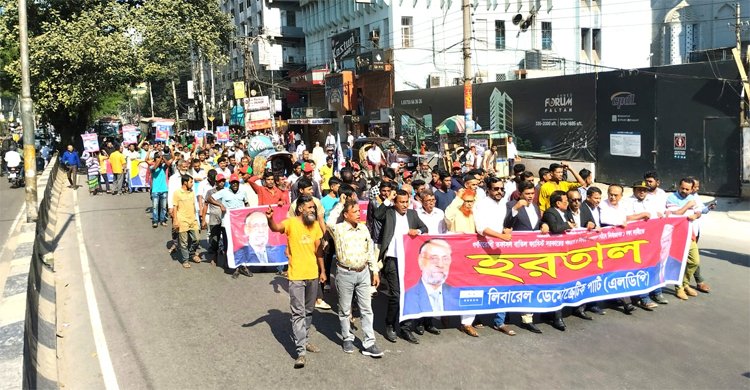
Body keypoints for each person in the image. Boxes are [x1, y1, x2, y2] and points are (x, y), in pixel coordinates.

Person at [266, 195, 325, 369]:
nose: (312, 210)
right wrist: (270, 219)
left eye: (313, 208)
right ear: (300, 209)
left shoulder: (315, 226)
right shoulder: (291, 223)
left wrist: (322, 271)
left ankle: (305, 340)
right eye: (309, 207)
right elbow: (276, 228)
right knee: (298, 313)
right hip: (296, 276)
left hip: (313, 275)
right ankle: (300, 351)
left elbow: (319, 251)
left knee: (309, 311)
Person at [327, 199, 384, 357]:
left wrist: (375, 271)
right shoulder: (338, 230)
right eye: (355, 211)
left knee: (366, 309)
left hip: (363, 272)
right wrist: (340, 203)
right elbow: (329, 221)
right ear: (346, 215)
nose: (359, 214)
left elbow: (369, 251)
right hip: (345, 273)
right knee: (345, 309)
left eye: (359, 211)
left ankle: (369, 342)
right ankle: (347, 337)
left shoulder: (364, 229)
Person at [373, 189, 428, 344]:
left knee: (409, 294)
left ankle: (406, 328)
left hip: (409, 260)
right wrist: (388, 199)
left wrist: (417, 231)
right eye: (401, 202)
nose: (404, 205)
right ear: (395, 202)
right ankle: (389, 324)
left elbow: (425, 228)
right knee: (396, 295)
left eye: (406, 202)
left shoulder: (412, 215)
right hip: (392, 259)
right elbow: (377, 215)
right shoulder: (389, 213)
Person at [666, 178, 702, 301]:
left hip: (689, 234)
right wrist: (687, 206)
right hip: (676, 236)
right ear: (678, 186)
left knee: (694, 261)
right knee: (679, 262)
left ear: (692, 189)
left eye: (687, 189)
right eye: (682, 188)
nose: (684, 191)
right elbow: (675, 215)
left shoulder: (692, 198)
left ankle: (685, 283)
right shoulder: (671, 198)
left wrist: (696, 215)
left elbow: (699, 212)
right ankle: (679, 287)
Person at [403, 238, 460, 315]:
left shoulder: (456, 294)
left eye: (445, 259)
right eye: (434, 258)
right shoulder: (409, 296)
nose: (440, 265)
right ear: (421, 261)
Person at [172, 175, 201, 268]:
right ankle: (185, 260)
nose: (192, 184)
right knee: (183, 242)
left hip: (192, 219)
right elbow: (175, 207)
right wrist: (175, 221)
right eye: (191, 182)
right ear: (185, 182)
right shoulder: (177, 193)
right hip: (182, 220)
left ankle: (192, 253)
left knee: (197, 239)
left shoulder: (192, 192)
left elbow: (193, 206)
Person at [150, 152, 169, 227]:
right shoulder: (152, 167)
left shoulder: (163, 167)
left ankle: (162, 220)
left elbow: (168, 164)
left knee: (163, 207)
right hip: (155, 190)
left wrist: (163, 157)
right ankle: (155, 221)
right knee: (155, 207)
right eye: (158, 157)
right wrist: (160, 158)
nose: (160, 159)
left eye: (160, 157)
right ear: (155, 159)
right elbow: (155, 168)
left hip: (164, 189)